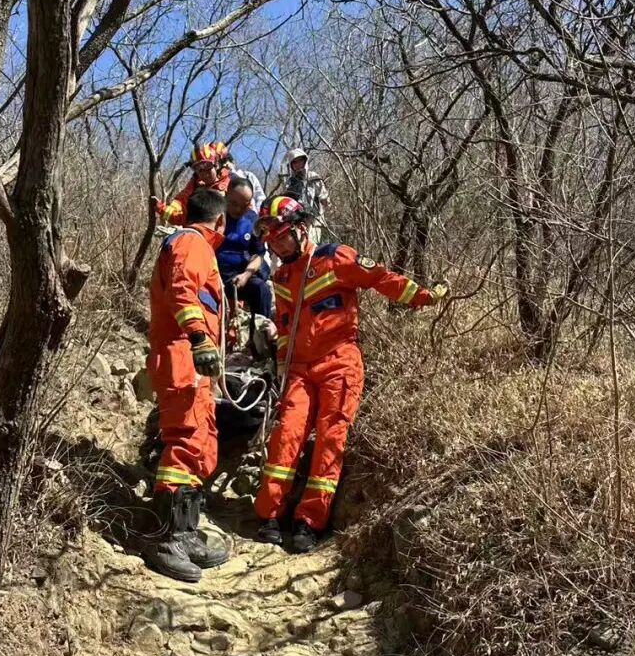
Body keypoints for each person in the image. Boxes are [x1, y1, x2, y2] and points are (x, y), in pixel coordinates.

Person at [252, 196, 446, 552]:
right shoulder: (280, 277)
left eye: (281, 236)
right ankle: (269, 514)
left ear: (299, 229)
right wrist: (281, 364)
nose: (277, 245)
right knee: (286, 435)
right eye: (272, 240)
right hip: (297, 369)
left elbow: (380, 277)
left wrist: (424, 297)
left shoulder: (334, 258)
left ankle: (309, 522)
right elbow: (285, 327)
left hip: (339, 362)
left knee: (331, 438)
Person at [146, 186, 230, 583]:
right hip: (184, 356)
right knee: (184, 443)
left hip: (194, 362)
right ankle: (168, 540)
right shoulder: (192, 243)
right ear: (221, 221)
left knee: (201, 445)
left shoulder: (192, 244)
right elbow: (182, 289)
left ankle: (188, 532)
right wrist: (199, 336)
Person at [158, 140, 265, 225]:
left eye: (208, 167)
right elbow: (182, 210)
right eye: (199, 169)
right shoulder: (193, 187)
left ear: (217, 165)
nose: (204, 173)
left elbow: (248, 206)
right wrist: (164, 209)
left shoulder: (232, 180)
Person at [217, 177, 272, 318]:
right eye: (233, 203)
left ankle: (260, 336)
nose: (238, 209)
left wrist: (246, 275)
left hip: (240, 277)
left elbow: (258, 254)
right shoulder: (214, 213)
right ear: (226, 195)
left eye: (244, 205)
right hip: (214, 276)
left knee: (262, 290)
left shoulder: (252, 219)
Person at [277, 147, 328, 242]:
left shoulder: (313, 177)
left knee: (312, 245)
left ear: (305, 161)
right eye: (295, 162)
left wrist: (321, 211)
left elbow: (324, 198)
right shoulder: (289, 182)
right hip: (296, 220)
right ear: (291, 165)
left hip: (314, 219)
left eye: (300, 161)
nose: (298, 164)